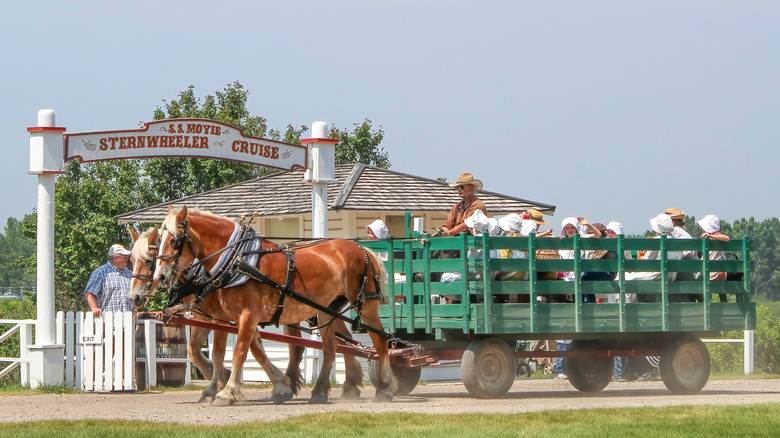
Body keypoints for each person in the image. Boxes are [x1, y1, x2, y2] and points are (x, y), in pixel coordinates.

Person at [85, 244, 133, 317]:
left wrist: (135, 310)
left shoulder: (130, 274)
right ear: (116, 258)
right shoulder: (100, 273)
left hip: (127, 322)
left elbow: (135, 295)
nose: (127, 258)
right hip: (106, 322)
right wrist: (94, 307)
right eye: (125, 256)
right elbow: (90, 293)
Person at [436, 172, 488, 237]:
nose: (459, 189)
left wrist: (449, 233)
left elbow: (467, 224)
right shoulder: (456, 207)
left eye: (462, 187)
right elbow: (448, 225)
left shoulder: (478, 205)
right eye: (457, 187)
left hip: (472, 242)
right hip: (457, 241)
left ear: (471, 187)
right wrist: (440, 232)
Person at [698, 214, 730, 302]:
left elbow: (727, 238)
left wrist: (711, 236)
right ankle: (723, 303)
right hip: (718, 271)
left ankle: (702, 304)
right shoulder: (712, 236)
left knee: (696, 281)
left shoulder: (715, 236)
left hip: (713, 273)